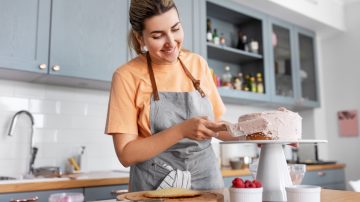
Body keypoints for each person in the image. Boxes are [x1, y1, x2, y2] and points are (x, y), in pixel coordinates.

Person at [105, 0, 236, 192]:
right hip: (155, 188)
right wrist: (181, 130)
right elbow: (126, 154)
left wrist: (259, 133)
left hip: (207, 184)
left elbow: (215, 126)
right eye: (158, 36)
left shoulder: (197, 64)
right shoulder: (126, 76)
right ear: (140, 38)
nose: (171, 42)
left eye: (176, 29)